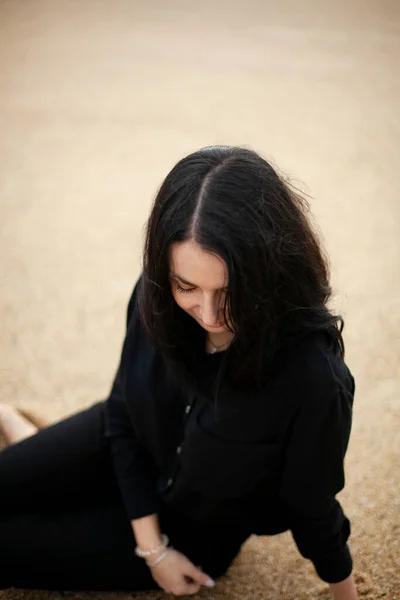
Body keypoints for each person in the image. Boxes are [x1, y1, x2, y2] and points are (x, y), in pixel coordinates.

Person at [0, 146, 359, 599]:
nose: (208, 314)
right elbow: (120, 412)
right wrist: (151, 549)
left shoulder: (310, 376)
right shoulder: (155, 298)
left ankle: (23, 434)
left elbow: (311, 504)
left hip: (192, 533)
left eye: (230, 291)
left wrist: (345, 592)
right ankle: (22, 431)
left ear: (270, 273)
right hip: (122, 447)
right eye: (186, 286)